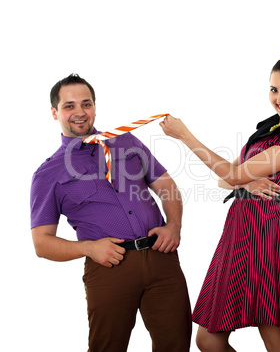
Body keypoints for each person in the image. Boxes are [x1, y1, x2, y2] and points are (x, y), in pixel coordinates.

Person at [160, 44, 280, 352]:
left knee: (275, 340)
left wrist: (185, 135)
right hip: (238, 234)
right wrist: (246, 184)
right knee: (208, 340)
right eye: (274, 89)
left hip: (267, 236)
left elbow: (233, 174)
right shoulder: (268, 132)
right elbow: (224, 178)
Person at [30, 74, 192, 352]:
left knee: (176, 345)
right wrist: (90, 248)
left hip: (162, 259)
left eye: (86, 104)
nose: (79, 113)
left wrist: (174, 225)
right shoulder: (48, 174)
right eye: (69, 106)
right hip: (109, 267)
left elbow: (166, 184)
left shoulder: (126, 141)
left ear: (95, 106)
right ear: (54, 112)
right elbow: (42, 243)